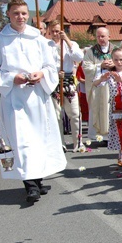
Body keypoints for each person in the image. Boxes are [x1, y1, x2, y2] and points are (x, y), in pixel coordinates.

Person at [0, 0, 66, 203]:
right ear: (8, 15)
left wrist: (41, 74)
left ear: (28, 14)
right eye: (15, 13)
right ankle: (30, 185)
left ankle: (37, 180)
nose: (20, 17)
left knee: (39, 139)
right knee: (22, 141)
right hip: (15, 99)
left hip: (37, 97)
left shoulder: (37, 38)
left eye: (23, 13)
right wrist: (12, 78)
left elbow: (49, 66)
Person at [92, 47, 122, 170]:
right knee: (119, 132)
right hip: (115, 107)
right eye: (116, 59)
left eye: (121, 59)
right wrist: (102, 78)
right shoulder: (110, 73)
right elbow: (95, 83)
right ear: (112, 60)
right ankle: (121, 153)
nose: (119, 62)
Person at [47, 21, 84, 152]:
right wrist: (54, 72)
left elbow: (79, 57)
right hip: (53, 81)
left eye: (58, 31)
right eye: (53, 31)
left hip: (68, 81)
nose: (55, 34)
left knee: (74, 113)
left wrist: (67, 40)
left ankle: (78, 142)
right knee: (56, 115)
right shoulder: (46, 46)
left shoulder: (71, 44)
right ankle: (60, 143)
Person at [82, 27, 115, 141]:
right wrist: (100, 66)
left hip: (111, 86)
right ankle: (97, 136)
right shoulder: (91, 51)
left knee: (111, 107)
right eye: (98, 36)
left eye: (103, 36)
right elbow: (85, 67)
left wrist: (114, 64)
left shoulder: (115, 50)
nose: (100, 39)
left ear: (109, 37)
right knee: (98, 107)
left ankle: (112, 135)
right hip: (97, 85)